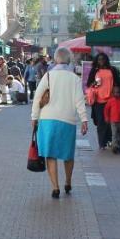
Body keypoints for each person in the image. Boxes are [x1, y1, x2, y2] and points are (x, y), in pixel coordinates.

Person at [30, 47, 89, 199]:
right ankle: (68, 182)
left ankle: (55, 187)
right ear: (69, 60)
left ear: (55, 59)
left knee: (50, 154)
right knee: (68, 154)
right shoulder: (74, 78)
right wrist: (84, 120)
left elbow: (37, 98)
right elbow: (79, 100)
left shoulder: (48, 76)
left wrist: (34, 117)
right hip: (67, 120)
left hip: (47, 119)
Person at [85, 52, 115, 150]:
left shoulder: (111, 70)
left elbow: (117, 82)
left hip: (110, 100)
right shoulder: (94, 71)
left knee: (109, 121)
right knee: (101, 122)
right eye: (99, 59)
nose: (101, 61)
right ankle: (102, 143)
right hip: (98, 100)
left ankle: (109, 140)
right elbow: (89, 84)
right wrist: (94, 83)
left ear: (106, 59)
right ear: (96, 61)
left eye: (103, 59)